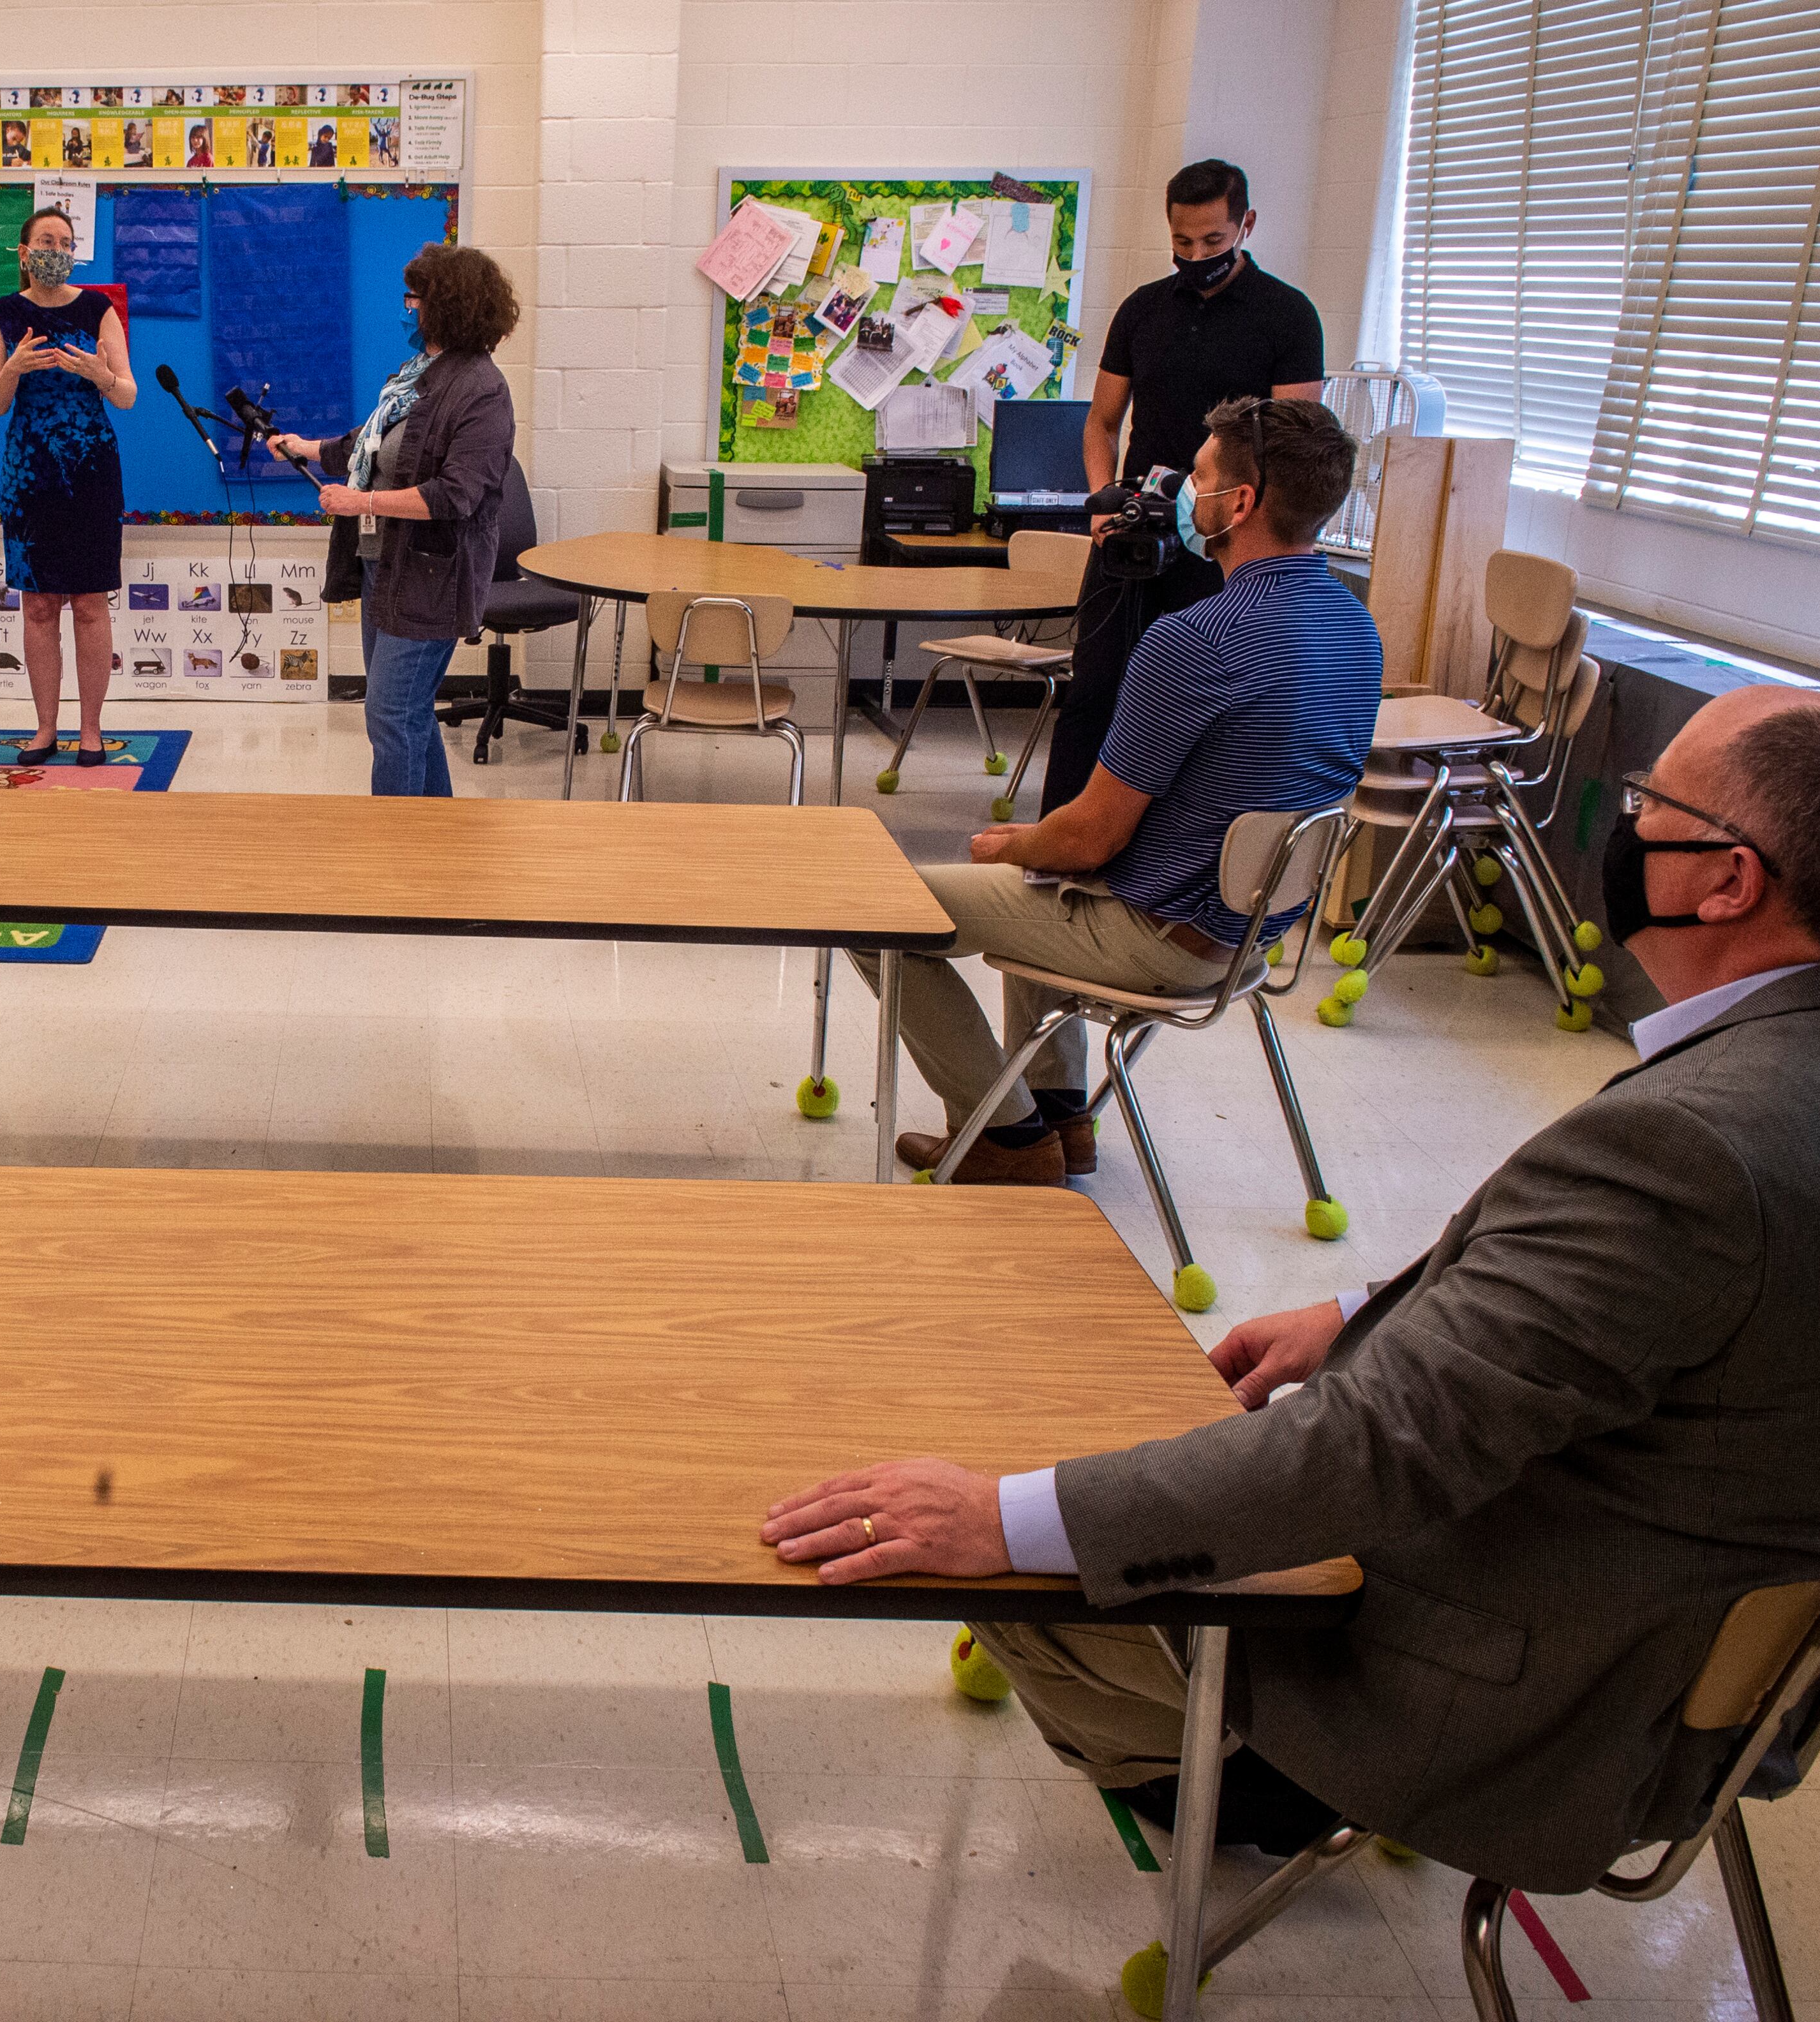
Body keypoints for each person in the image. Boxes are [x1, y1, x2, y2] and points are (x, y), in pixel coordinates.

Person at [764, 683, 1820, 1889]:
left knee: (1005, 1491)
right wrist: (1368, 1311)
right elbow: (1635, 1304)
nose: (1621, 826)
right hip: (1679, 1663)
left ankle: (1238, 1780)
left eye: (1646, 804)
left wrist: (996, 1516)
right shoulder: (1762, 1093)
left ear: (1727, 879)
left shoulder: (1692, 1146)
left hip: (1506, 1699)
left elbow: (1370, 1451)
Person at [852, 396, 1375, 1183]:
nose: (1174, 493)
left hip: (1160, 936)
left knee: (875, 910)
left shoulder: (1197, 639)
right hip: (1247, 933)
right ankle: (1063, 1120)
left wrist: (1010, 844)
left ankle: (1007, 1142)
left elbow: (1088, 838)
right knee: (1032, 877)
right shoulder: (1351, 626)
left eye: (1194, 476)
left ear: (1238, 504)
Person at [1050, 160, 1326, 816]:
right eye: (1181, 243)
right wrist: (1101, 502)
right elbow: (1101, 423)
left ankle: (1159, 852)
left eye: (1211, 242)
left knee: (1198, 702)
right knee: (1093, 692)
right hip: (1134, 533)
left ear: (1245, 226)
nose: (1194, 256)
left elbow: (1294, 446)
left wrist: (1240, 526)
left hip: (1225, 545)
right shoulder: (1142, 310)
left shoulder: (1287, 317)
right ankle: (1053, 846)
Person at [269, 244, 520, 798]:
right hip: (386, 567)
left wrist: (362, 504)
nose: (407, 307)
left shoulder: (483, 390)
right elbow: (375, 444)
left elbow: (456, 495)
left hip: (434, 577)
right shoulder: (419, 375)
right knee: (408, 715)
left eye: (416, 298)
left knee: (389, 715)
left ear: (448, 306)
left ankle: (396, 847)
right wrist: (304, 447)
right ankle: (434, 833)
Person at [0, 205, 132, 765]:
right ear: (24, 252)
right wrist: (14, 367)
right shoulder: (5, 313)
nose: (56, 248)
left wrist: (102, 374)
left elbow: (128, 395)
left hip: (91, 473)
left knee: (91, 604)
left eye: (65, 241)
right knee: (40, 607)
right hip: (30, 477)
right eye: (45, 239)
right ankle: (45, 728)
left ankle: (90, 730)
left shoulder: (98, 308)